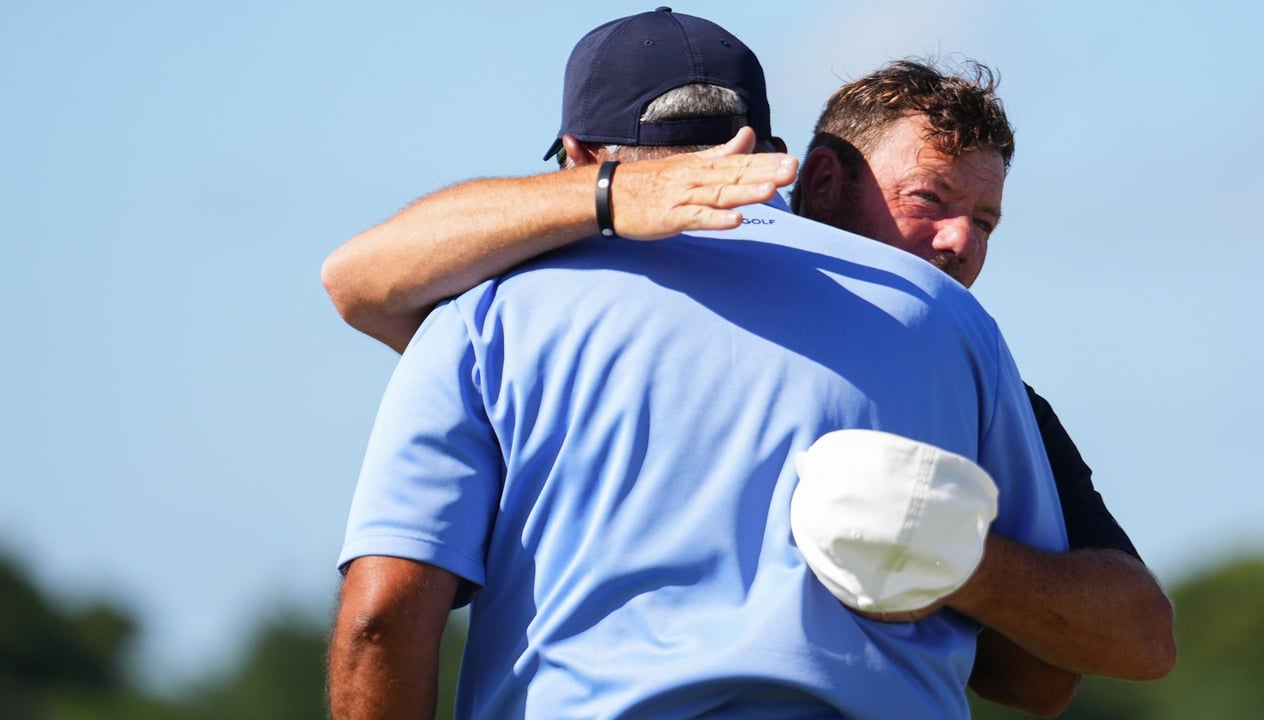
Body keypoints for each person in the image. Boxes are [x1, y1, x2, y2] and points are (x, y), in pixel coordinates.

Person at [323, 33, 1177, 716]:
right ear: (785, 164)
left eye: (983, 218)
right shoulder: (953, 332)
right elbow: (1042, 681)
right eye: (929, 201)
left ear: (574, 155)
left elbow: (382, 616)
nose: (959, 243)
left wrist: (966, 566)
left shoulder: (488, 317)